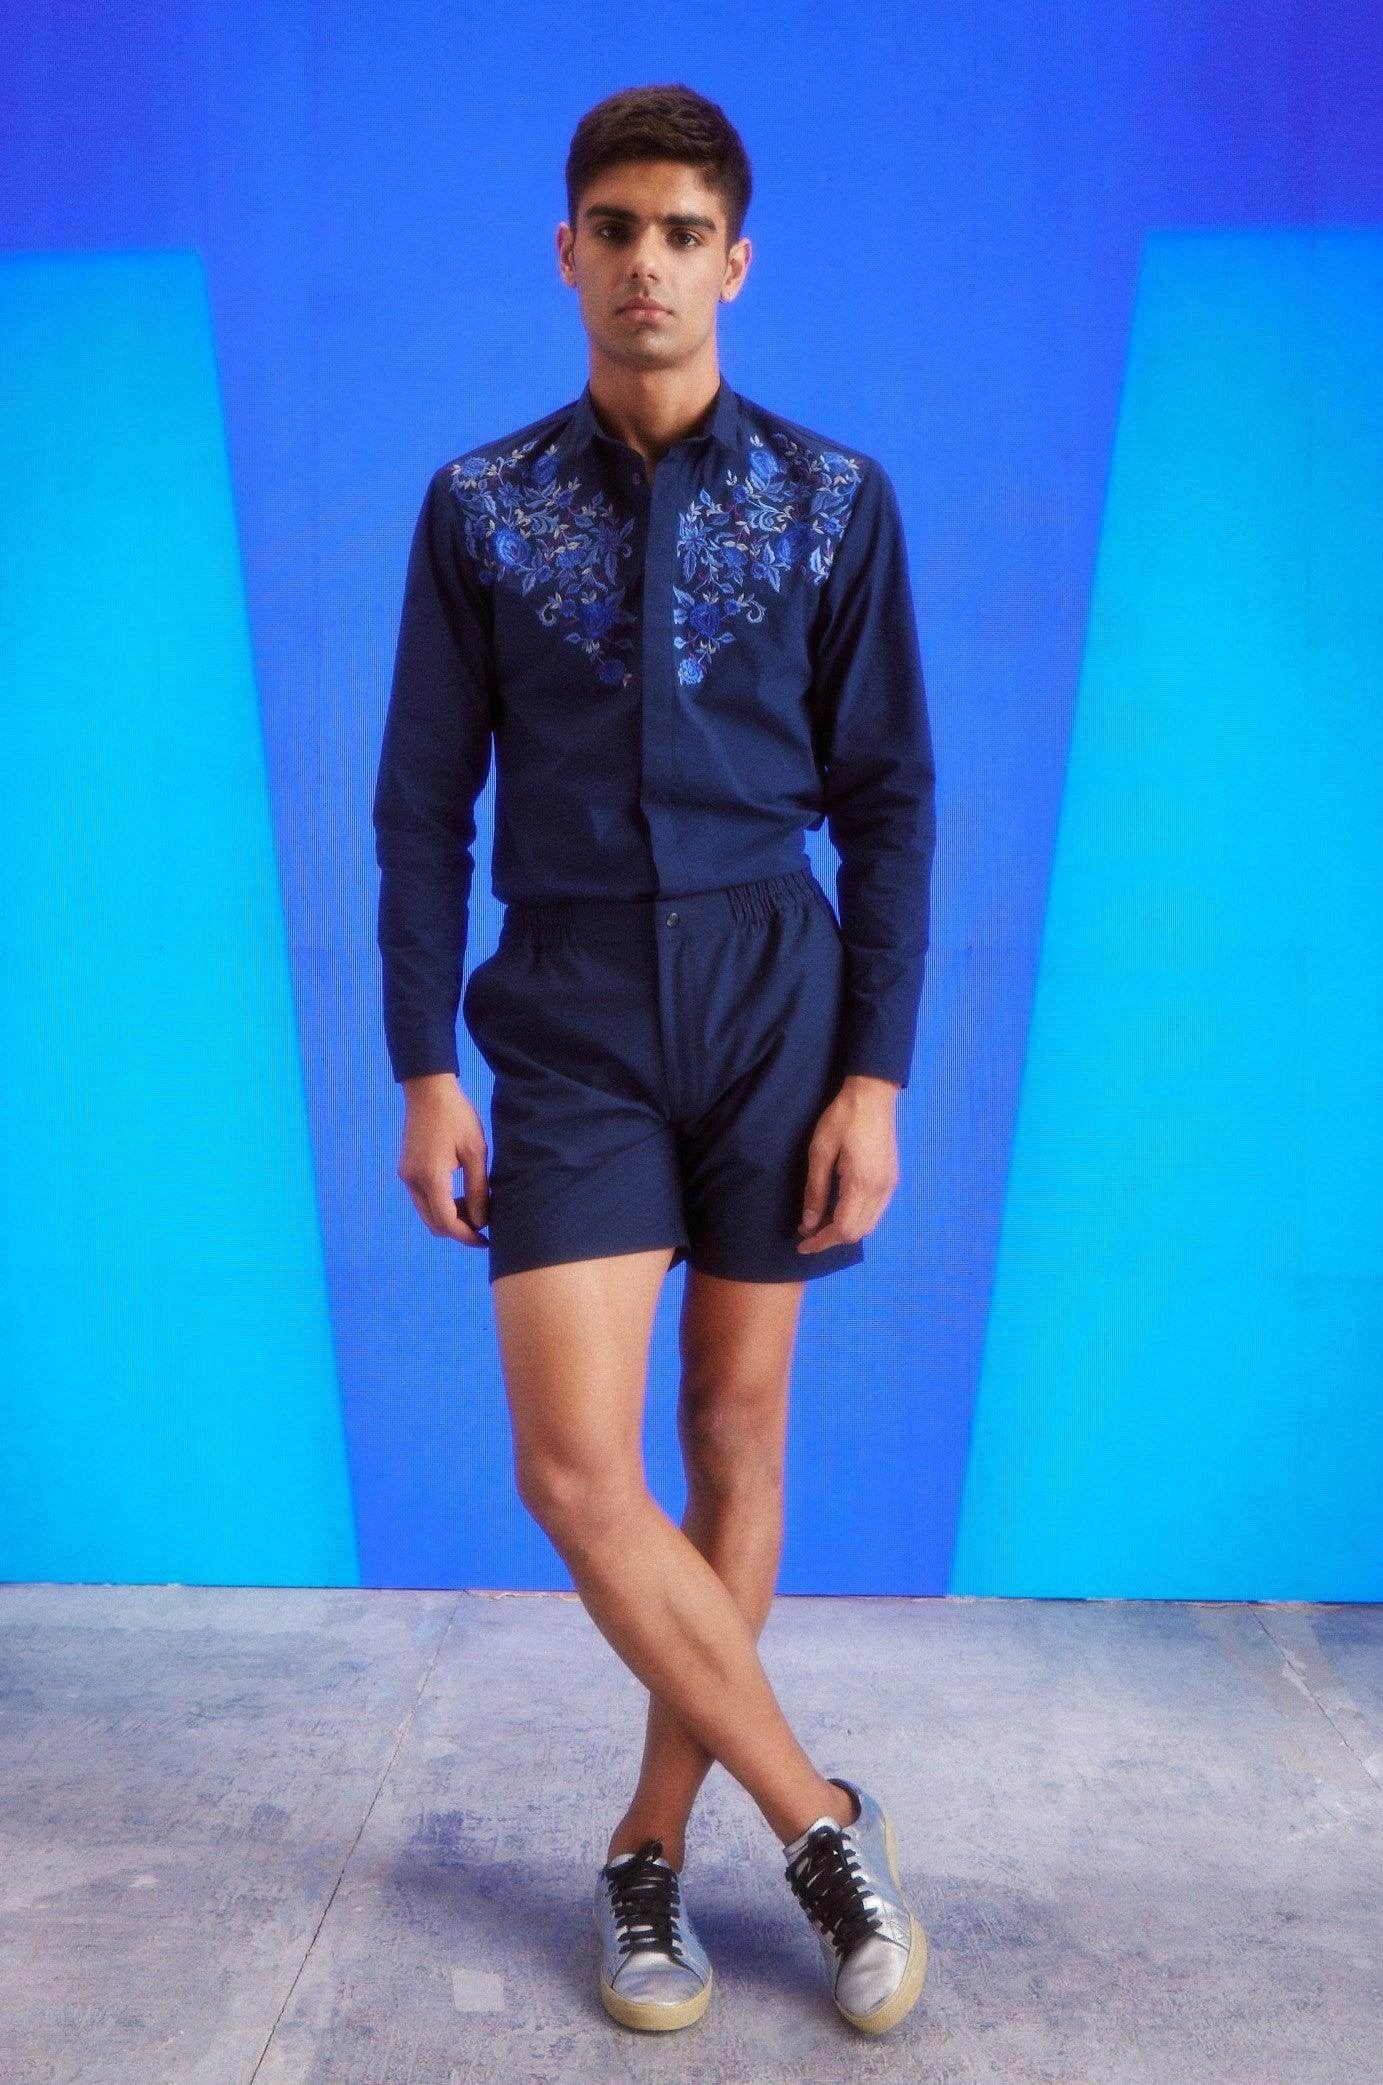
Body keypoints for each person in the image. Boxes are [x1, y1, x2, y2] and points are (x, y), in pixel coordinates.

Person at [371, 83, 936, 2038]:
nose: (647, 264)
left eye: (683, 232)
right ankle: (820, 1820)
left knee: (734, 1436)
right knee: (570, 1464)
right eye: (614, 228)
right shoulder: (478, 507)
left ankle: (645, 1848)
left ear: (734, 261)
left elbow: (889, 800)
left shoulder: (834, 501)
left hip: (777, 995)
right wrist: (421, 1063)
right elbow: (421, 805)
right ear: (566, 252)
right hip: (572, 1011)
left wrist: (873, 1075)